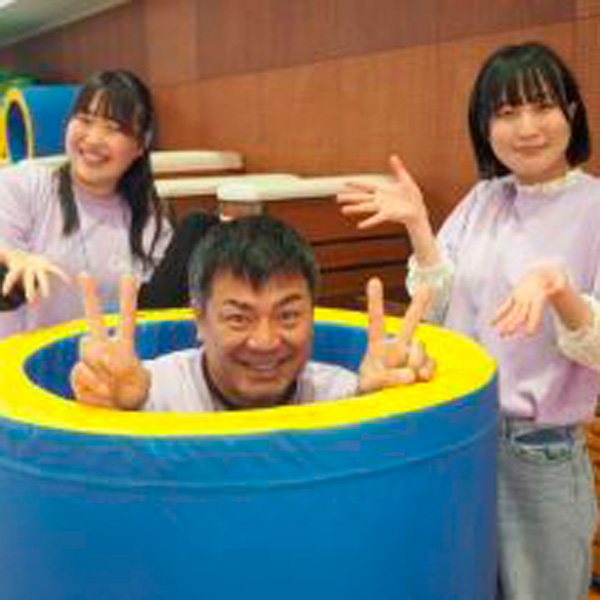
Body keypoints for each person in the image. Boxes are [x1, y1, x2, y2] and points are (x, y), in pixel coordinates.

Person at [337, 41, 600, 600]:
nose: (526, 128)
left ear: (572, 113)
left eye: (543, 106)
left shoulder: (594, 207)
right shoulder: (484, 199)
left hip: (540, 452)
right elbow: (435, 305)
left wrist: (559, 290)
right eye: (506, 112)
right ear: (485, 127)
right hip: (458, 435)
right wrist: (418, 226)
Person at [70, 214, 435, 411]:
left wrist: (383, 405)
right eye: (238, 318)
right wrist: (116, 414)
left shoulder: (343, 398)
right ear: (199, 319)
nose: (265, 341)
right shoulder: (149, 393)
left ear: (312, 317)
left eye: (288, 316)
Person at [0, 69, 172, 337]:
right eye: (85, 120)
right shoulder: (26, 184)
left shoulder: (152, 225)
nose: (93, 139)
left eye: (113, 128)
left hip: (103, 361)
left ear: (140, 145)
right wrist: (14, 257)